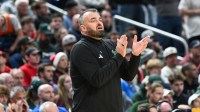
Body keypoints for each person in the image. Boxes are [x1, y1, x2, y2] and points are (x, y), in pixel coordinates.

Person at [70, 8, 150, 112]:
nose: (99, 23)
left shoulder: (111, 44)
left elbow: (128, 75)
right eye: (93, 20)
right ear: (83, 28)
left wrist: (135, 55)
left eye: (99, 19)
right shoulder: (80, 48)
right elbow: (97, 79)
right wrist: (119, 55)